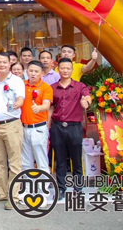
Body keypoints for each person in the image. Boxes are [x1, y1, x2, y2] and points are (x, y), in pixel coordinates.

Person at [0, 52, 25, 210]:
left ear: (10, 64)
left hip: (12, 125)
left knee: (14, 163)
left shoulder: (16, 80)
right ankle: (1, 192)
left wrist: (18, 103)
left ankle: (13, 196)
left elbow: (21, 99)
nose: (1, 65)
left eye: (4, 62)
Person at [50, 58, 92, 200]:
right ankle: (61, 188)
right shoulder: (52, 87)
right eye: (63, 68)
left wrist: (86, 103)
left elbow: (87, 97)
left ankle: (78, 187)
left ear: (72, 70)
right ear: (58, 70)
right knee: (60, 160)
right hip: (57, 127)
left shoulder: (80, 86)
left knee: (76, 159)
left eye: (68, 68)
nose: (65, 70)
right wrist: (48, 128)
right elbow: (50, 108)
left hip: (74, 127)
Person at [21, 61, 53, 174]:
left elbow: (47, 105)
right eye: (31, 71)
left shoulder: (46, 87)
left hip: (38, 128)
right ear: (27, 72)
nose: (33, 74)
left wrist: (39, 108)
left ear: (42, 73)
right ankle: (28, 184)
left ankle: (44, 184)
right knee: (25, 162)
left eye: (36, 71)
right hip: (23, 127)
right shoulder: (22, 85)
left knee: (41, 160)